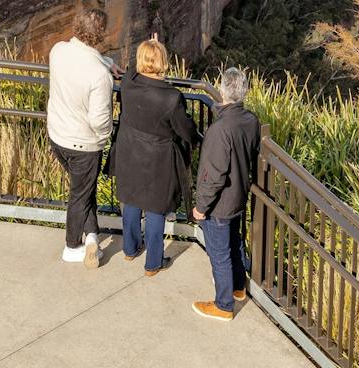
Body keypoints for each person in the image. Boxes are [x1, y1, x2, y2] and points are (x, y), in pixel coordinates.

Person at [111, 35, 199, 276]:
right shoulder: (171, 97)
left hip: (129, 152)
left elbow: (132, 71)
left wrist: (150, 46)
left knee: (131, 199)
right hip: (157, 159)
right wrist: (196, 137)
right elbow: (185, 129)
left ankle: (130, 249)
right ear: (163, 62)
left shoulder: (128, 82)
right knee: (155, 208)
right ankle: (153, 263)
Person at [191, 66, 261, 321]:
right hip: (238, 196)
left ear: (221, 91)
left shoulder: (220, 129)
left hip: (220, 203)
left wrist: (201, 207)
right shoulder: (250, 120)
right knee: (234, 243)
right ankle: (238, 287)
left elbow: (214, 175)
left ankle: (223, 305)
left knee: (219, 255)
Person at [47, 8, 115, 267]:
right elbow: (99, 121)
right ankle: (72, 246)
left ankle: (92, 236)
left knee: (84, 189)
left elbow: (83, 58)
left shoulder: (58, 51)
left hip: (57, 137)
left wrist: (107, 62)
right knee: (80, 194)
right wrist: (105, 136)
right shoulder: (99, 76)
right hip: (84, 145)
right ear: (101, 34)